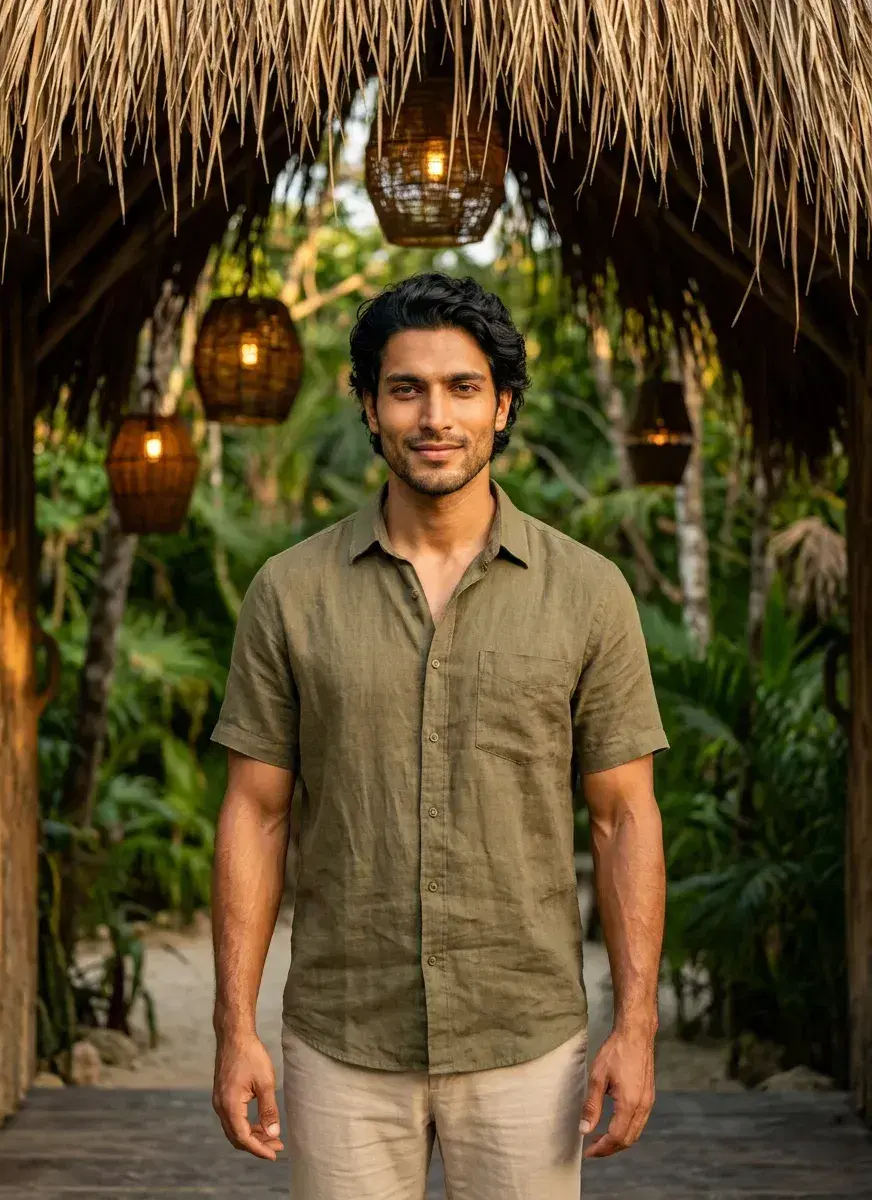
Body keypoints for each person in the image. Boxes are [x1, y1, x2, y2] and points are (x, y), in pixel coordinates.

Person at [210, 273, 668, 1199]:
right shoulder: (289, 594)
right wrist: (234, 1027)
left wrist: (636, 1024)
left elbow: (625, 819)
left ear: (502, 407)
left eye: (462, 388)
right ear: (372, 409)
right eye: (405, 388)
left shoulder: (588, 593)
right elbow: (255, 813)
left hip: (524, 1038)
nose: (435, 416)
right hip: (343, 1034)